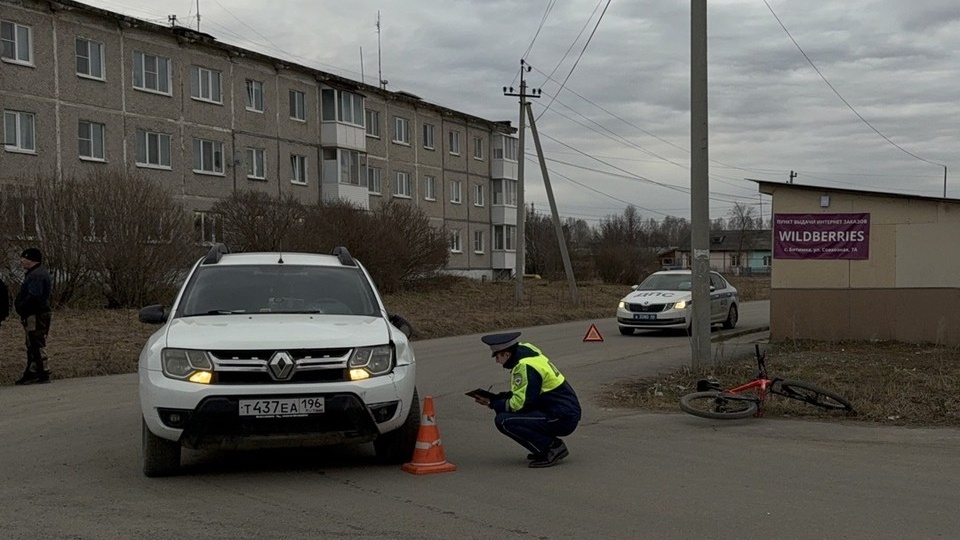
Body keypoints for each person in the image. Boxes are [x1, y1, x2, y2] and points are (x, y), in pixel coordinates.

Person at [474, 331, 582, 468]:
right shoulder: (528, 353)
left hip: (561, 417)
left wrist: (492, 403)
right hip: (561, 412)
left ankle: (551, 448)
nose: (496, 361)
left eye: (497, 356)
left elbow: (520, 404)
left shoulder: (524, 367)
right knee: (506, 413)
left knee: (504, 420)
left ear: (506, 354)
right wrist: (497, 398)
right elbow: (524, 394)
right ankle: (542, 447)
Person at [14, 248, 53, 385]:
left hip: (35, 314)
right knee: (32, 342)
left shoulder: (36, 275)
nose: (21, 261)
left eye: (23, 258)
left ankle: (42, 372)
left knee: (36, 341)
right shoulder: (37, 273)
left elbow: (33, 296)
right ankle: (32, 371)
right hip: (35, 313)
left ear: (30, 259)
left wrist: (22, 307)